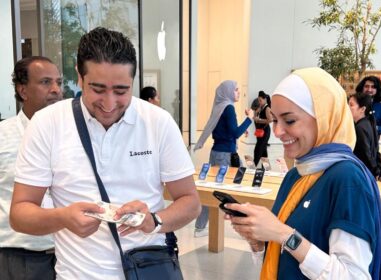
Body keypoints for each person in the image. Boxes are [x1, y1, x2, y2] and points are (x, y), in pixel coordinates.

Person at [10, 27, 201, 279]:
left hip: (147, 270)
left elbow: (190, 202)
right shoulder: (48, 123)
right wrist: (63, 217)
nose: (109, 104)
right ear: (79, 76)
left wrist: (154, 220)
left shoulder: (158, 122)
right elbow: (20, 213)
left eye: (122, 91)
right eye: (98, 89)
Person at [225, 68, 381, 279]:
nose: (278, 131)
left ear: (324, 118)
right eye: (274, 120)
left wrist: (283, 234)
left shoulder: (347, 178)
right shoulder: (296, 175)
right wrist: (259, 241)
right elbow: (284, 261)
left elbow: (353, 276)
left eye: (289, 121)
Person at [0, 56, 63, 280]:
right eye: (46, 82)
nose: (56, 89)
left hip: (71, 255)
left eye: (59, 82)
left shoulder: (74, 136)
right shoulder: (3, 136)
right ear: (23, 91)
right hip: (18, 257)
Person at [193, 80, 254, 237]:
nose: (238, 92)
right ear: (227, 92)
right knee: (235, 185)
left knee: (216, 188)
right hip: (225, 156)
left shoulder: (220, 106)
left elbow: (227, 132)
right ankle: (246, 225)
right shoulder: (228, 108)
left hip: (218, 153)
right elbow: (235, 133)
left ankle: (201, 227)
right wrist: (249, 119)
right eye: (236, 90)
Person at [356, 75, 381, 183]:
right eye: (366, 86)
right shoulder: (355, 104)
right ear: (362, 87)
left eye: (373, 87)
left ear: (377, 89)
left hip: (372, 147)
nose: (369, 89)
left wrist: (371, 127)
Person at [349, 92, 381, 179]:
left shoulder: (360, 127)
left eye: (351, 105)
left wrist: (376, 170)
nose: (348, 108)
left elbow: (365, 153)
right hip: (368, 171)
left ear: (362, 109)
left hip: (363, 173)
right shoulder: (368, 123)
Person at [253, 90, 272, 166]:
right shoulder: (261, 107)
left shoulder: (267, 108)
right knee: (263, 150)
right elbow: (255, 114)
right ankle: (265, 168)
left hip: (265, 131)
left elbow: (270, 120)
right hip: (260, 131)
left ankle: (253, 166)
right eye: (258, 100)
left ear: (264, 99)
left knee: (258, 149)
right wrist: (256, 113)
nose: (259, 102)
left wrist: (259, 120)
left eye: (260, 100)